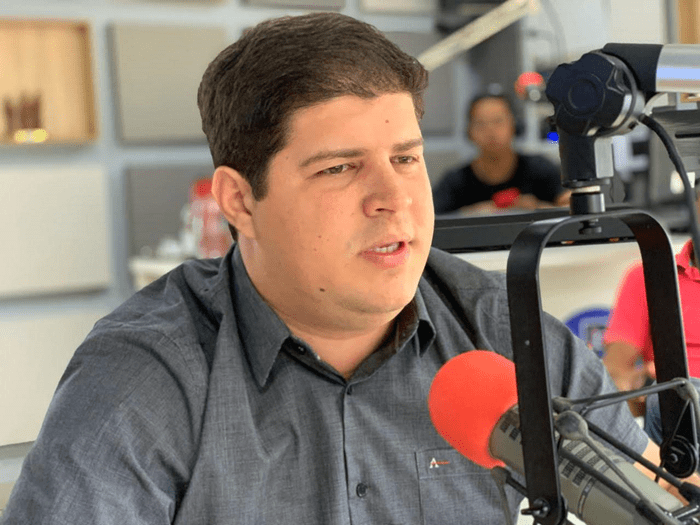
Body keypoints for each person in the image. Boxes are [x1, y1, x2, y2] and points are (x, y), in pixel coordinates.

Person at [0, 12, 684, 525]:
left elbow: (649, 502)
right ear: (239, 201)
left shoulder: (510, 333)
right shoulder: (145, 376)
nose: (394, 198)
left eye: (406, 158)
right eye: (339, 168)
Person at [603, 181, 700, 443]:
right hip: (672, 410)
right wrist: (633, 385)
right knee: (670, 396)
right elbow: (616, 371)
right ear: (695, 205)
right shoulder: (650, 276)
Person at [432, 93, 570, 215]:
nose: (490, 131)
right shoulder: (455, 181)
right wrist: (476, 213)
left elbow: (569, 205)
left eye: (498, 121)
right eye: (480, 124)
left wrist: (535, 208)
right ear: (469, 132)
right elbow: (434, 220)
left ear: (514, 125)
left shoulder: (540, 169)